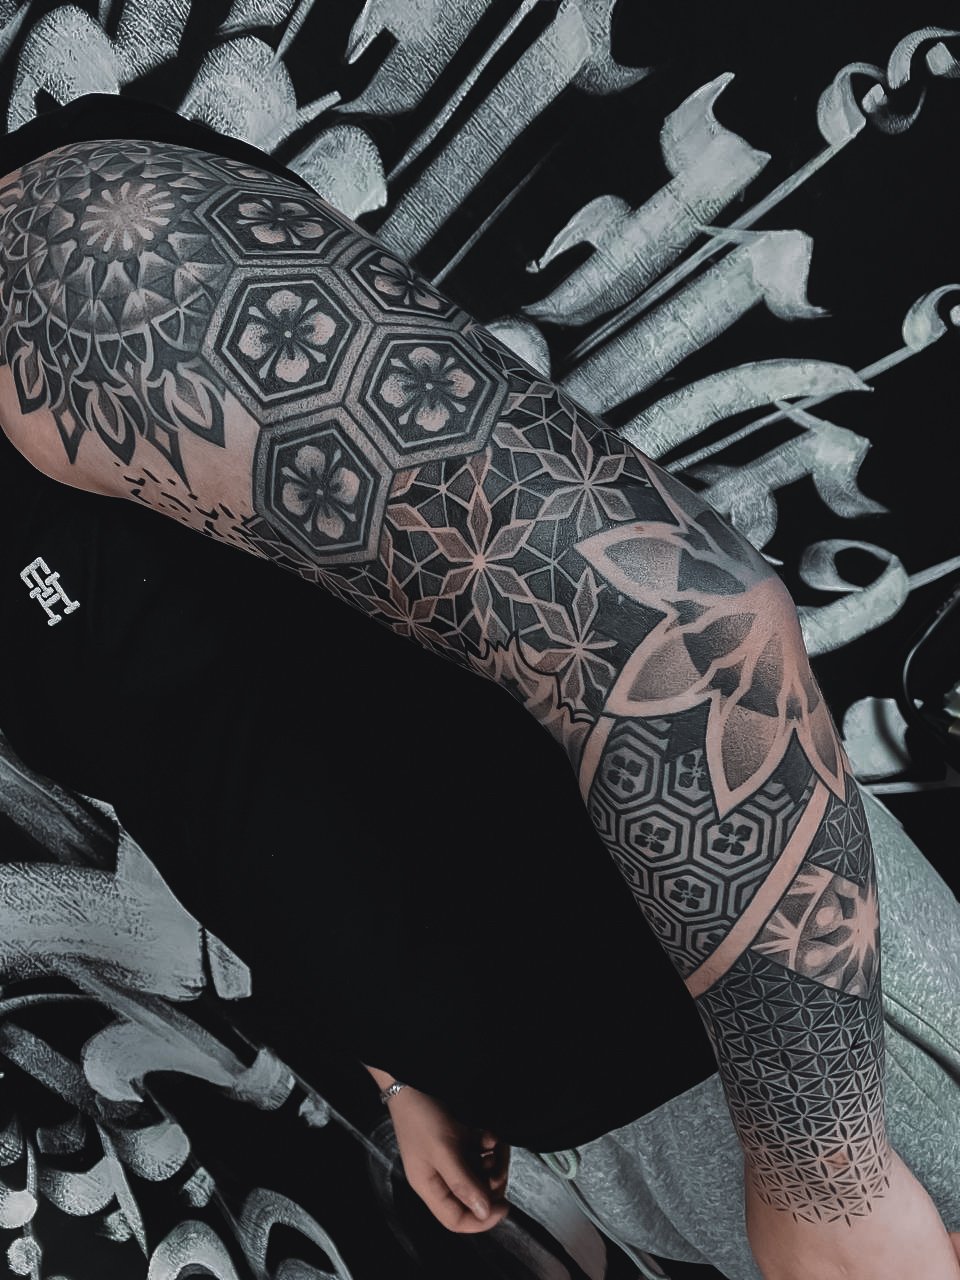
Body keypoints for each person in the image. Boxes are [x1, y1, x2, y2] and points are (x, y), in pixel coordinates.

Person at [0, 94, 957, 1280]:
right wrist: (398, 1057)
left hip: (774, 1056)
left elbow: (668, 617)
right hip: (606, 1114)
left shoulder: (73, 249)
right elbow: (222, 752)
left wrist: (832, 1177)